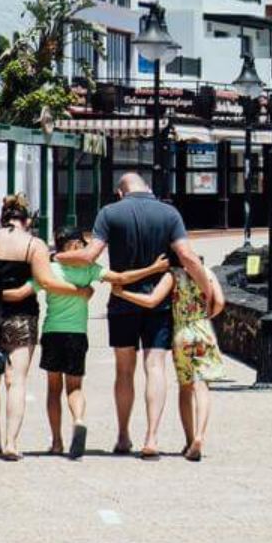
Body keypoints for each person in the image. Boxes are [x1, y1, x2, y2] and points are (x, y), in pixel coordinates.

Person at [56, 172, 215, 460]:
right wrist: (209, 292)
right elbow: (188, 258)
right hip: (160, 303)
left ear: (120, 192)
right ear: (148, 188)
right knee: (155, 367)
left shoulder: (109, 213)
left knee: (124, 371)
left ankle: (123, 435)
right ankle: (151, 437)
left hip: (122, 301)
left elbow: (89, 255)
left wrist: (57, 256)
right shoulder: (169, 213)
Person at [0, 195, 89, 461]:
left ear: (3, 216)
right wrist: (80, 290)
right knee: (16, 380)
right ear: (27, 220)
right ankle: (11, 442)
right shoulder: (33, 244)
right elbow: (47, 281)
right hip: (20, 318)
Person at [38, 229, 167, 458]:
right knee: (75, 387)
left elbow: (31, 287)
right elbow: (121, 278)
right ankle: (78, 419)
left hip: (52, 332)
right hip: (77, 334)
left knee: (53, 389)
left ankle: (57, 442)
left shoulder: (51, 267)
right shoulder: (89, 269)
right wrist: (153, 269)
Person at [111, 262, 225, 461]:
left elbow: (152, 300)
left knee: (185, 388)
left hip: (182, 333)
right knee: (202, 386)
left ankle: (190, 440)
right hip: (203, 330)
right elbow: (220, 302)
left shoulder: (174, 276)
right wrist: (204, 318)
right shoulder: (207, 273)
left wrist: (122, 294)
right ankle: (199, 436)